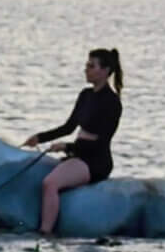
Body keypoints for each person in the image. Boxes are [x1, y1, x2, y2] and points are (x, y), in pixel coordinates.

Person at [20, 48, 123, 236]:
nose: (86, 70)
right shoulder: (85, 95)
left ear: (106, 71)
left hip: (95, 160)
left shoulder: (112, 102)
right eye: (87, 65)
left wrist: (68, 147)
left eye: (92, 66)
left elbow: (101, 143)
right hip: (78, 155)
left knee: (50, 183)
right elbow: (68, 127)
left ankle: (45, 232)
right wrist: (39, 138)